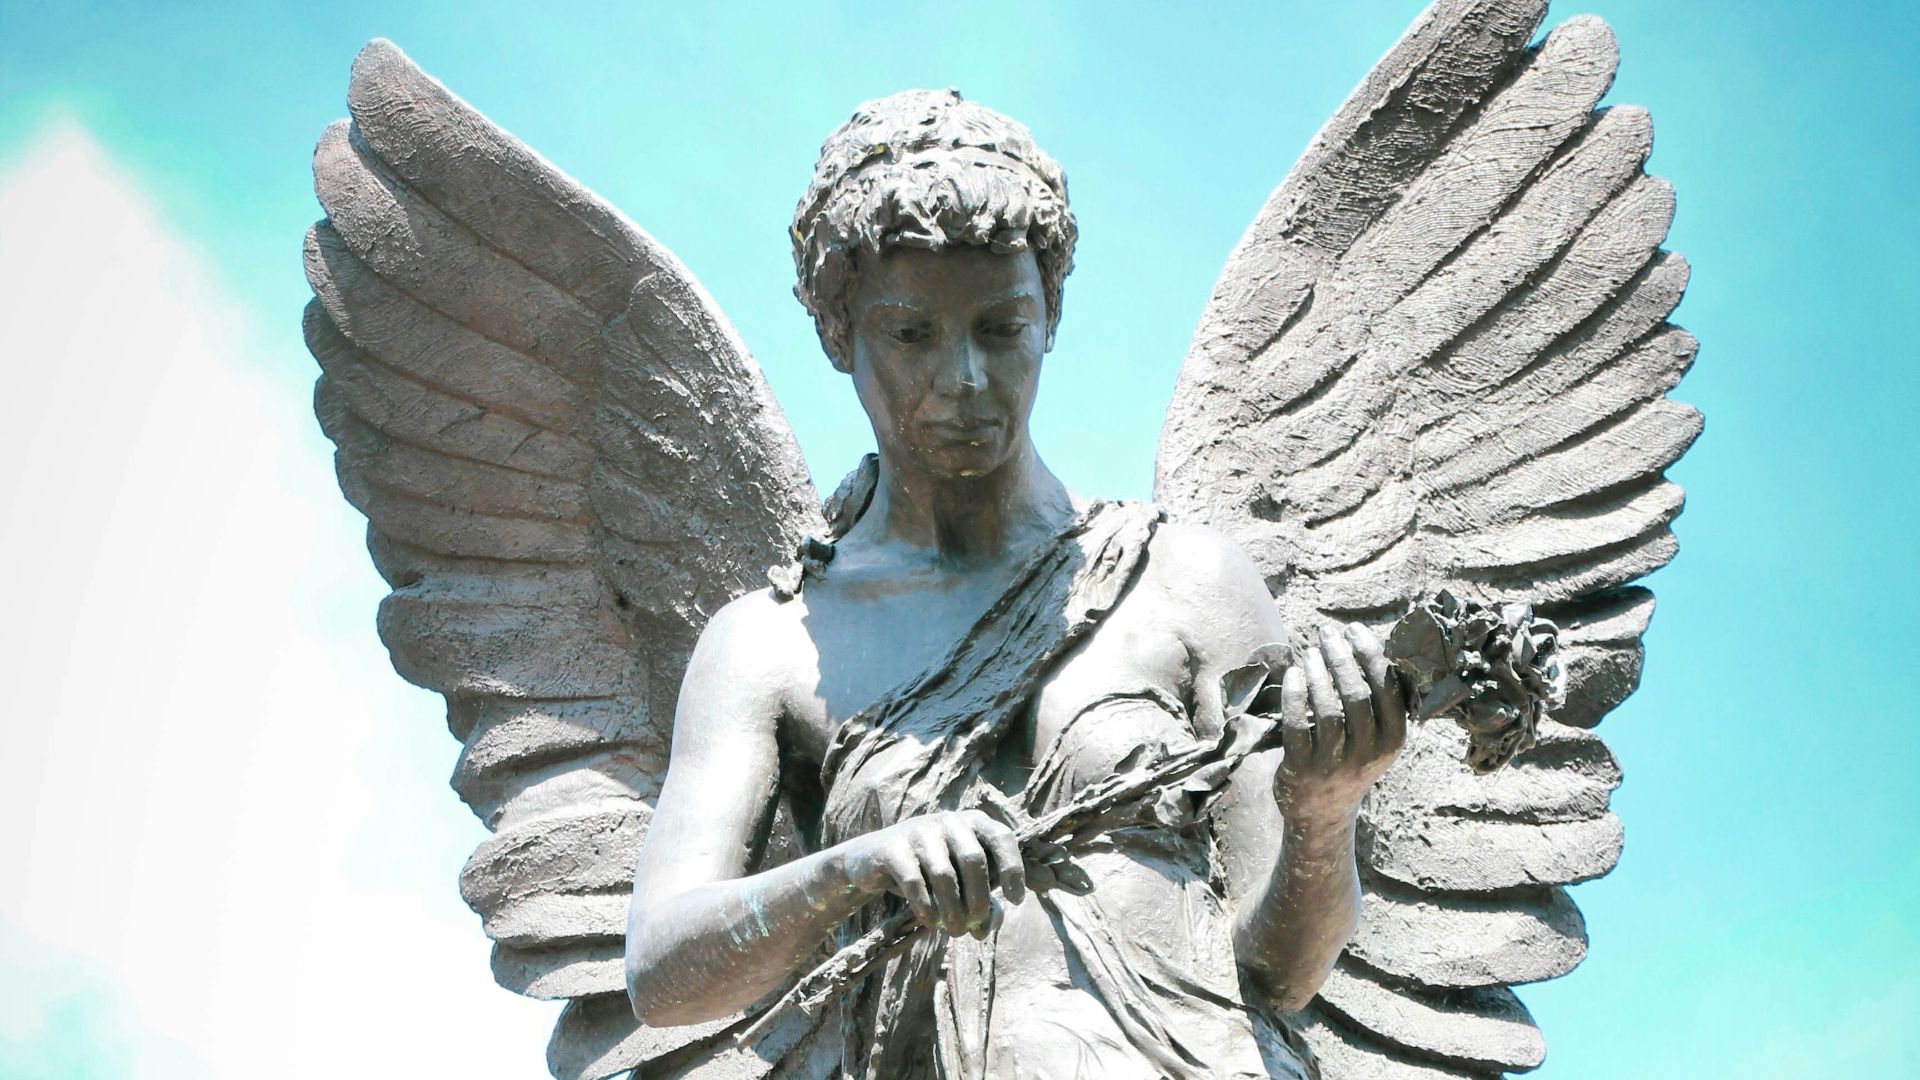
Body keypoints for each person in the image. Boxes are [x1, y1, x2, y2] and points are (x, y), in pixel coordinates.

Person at [624, 89, 1407, 1080]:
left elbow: (1279, 976)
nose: (962, 378)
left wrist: (1322, 813)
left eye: (1000, 330)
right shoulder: (770, 644)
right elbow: (662, 969)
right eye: (911, 336)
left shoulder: (1185, 584)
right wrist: (856, 867)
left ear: (1051, 316)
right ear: (838, 332)